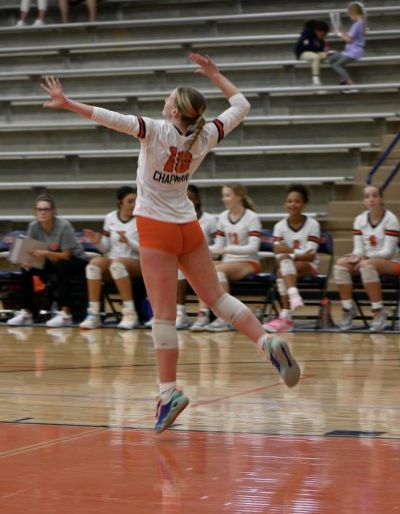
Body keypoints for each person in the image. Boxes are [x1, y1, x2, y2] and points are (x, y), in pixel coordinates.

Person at [40, 53, 301, 434]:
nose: (163, 103)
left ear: (176, 112)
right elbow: (242, 105)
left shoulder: (156, 130)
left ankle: (168, 393)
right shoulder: (206, 133)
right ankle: (265, 342)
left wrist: (67, 103)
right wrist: (215, 74)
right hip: (188, 227)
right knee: (216, 299)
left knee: (163, 318)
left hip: (156, 231)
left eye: (168, 100)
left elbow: (107, 117)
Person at [7, 194, 88, 327]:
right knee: (27, 269)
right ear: (35, 212)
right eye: (40, 209)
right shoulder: (33, 226)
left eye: (46, 209)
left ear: (53, 211)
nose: (43, 212)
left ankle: (65, 314)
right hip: (52, 261)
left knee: (63, 265)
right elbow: (32, 251)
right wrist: (27, 260)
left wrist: (45, 252)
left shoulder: (64, 226)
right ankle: (26, 313)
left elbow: (67, 255)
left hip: (76, 261)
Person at [333, 184, 400, 332]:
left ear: (381, 199)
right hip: (367, 260)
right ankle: (348, 309)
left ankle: (378, 311)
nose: (371, 199)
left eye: (375, 196)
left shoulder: (391, 220)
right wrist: (355, 256)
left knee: (367, 265)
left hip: (393, 263)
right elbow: (359, 248)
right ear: (363, 201)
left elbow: (388, 252)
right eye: (367, 196)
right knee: (340, 265)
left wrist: (365, 258)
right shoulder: (359, 220)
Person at [197, 183, 262, 332]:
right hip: (229, 261)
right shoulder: (222, 217)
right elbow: (218, 245)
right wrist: (201, 250)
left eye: (227, 195)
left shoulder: (252, 217)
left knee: (217, 271)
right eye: (223, 195)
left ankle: (225, 318)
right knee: (202, 270)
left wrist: (226, 249)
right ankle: (203, 314)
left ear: (239, 196)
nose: (224, 199)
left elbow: (253, 247)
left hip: (249, 261)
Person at [79, 186, 142, 331]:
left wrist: (128, 241)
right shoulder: (110, 218)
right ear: (120, 203)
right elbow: (105, 249)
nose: (133, 204)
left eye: (136, 201)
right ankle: (94, 314)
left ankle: (130, 313)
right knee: (93, 265)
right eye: (130, 201)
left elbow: (146, 249)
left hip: (137, 261)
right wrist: (97, 241)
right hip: (114, 260)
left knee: (117, 264)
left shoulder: (142, 219)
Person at [264, 185, 321, 333]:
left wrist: (289, 253)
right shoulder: (279, 226)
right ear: (285, 204)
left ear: (304, 204)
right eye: (289, 201)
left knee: (282, 267)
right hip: (287, 265)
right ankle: (293, 297)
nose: (293, 204)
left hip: (309, 266)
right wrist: (294, 254)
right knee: (283, 266)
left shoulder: (313, 224)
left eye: (297, 201)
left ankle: (286, 316)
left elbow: (311, 255)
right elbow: (276, 251)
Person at [176, 184, 217, 330]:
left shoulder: (209, 220)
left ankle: (203, 312)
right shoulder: (178, 220)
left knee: (197, 268)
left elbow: (218, 244)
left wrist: (206, 251)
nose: (187, 201)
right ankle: (180, 313)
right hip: (187, 261)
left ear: (198, 200)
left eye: (190, 198)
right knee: (178, 269)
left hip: (208, 259)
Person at [327, 1, 366, 90]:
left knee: (336, 65)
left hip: (354, 52)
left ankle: (350, 84)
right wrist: (341, 31)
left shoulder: (358, 24)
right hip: (350, 51)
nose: (349, 16)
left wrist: (339, 34)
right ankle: (343, 80)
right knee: (331, 59)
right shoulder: (358, 24)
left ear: (354, 13)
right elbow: (350, 35)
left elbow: (349, 39)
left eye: (349, 14)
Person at [294, 20, 330, 86]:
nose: (323, 36)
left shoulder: (320, 37)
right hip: (302, 52)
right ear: (317, 31)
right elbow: (306, 47)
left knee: (328, 55)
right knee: (316, 57)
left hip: (314, 52)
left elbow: (319, 48)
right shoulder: (306, 34)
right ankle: (316, 80)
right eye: (322, 34)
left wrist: (325, 51)